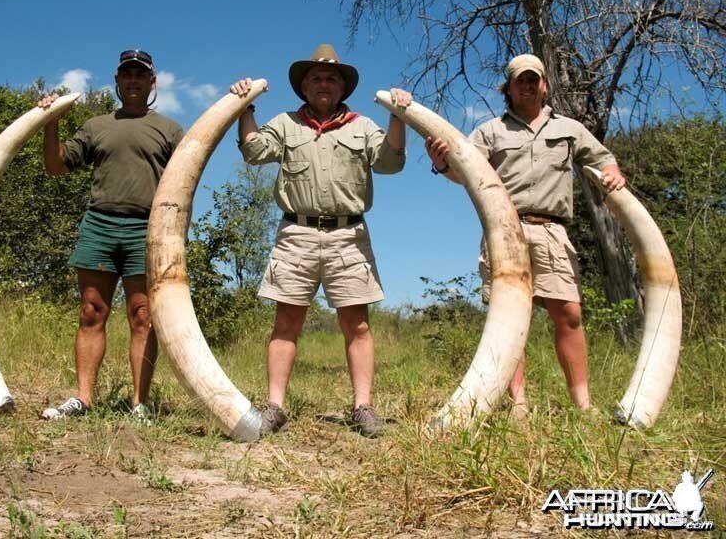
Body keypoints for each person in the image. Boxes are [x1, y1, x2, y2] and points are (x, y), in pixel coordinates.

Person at [425, 54, 626, 414]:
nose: (528, 85)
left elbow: (601, 158)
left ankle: (583, 404)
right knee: (509, 318)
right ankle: (518, 404)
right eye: (521, 80)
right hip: (504, 231)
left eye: (534, 79)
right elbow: (464, 172)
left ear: (545, 85)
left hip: (552, 231)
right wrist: (442, 162)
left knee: (569, 313)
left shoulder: (569, 128)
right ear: (509, 88)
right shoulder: (490, 131)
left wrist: (612, 172)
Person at [230, 44, 412, 437]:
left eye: (332, 78)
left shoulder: (363, 126)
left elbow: (390, 163)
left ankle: (363, 407)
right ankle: (275, 406)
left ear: (343, 86)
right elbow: (254, 152)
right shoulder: (284, 123)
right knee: (286, 321)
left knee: (357, 324)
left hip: (350, 235)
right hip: (295, 234)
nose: (324, 83)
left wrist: (399, 115)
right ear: (304, 87)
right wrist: (245, 107)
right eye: (316, 78)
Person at [38, 49, 184, 421]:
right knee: (91, 311)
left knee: (143, 316)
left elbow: (186, 181)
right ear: (117, 81)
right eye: (126, 74)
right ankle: (83, 399)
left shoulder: (169, 129)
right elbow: (56, 167)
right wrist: (50, 122)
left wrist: (173, 234)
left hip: (147, 231)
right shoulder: (96, 126)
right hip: (99, 225)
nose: (133, 80)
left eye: (141, 74)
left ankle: (139, 404)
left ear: (153, 82)